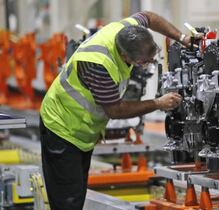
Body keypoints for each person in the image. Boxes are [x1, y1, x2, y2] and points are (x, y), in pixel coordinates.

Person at [39, 11, 188, 210]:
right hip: (63, 127)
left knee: (76, 192)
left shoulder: (124, 29)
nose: (148, 65)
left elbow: (150, 17)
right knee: (68, 200)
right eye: (144, 62)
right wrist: (158, 103)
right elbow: (116, 110)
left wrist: (182, 37)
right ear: (125, 55)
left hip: (81, 130)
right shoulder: (97, 64)